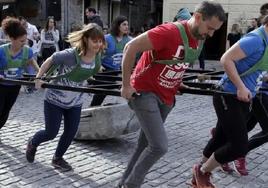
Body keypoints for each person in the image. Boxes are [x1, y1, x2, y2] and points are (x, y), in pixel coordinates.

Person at [118, 1, 226, 188]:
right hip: (145, 92)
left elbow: (177, 61)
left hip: (167, 97)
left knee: (145, 145)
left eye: (215, 30)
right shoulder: (169, 32)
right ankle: (131, 185)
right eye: (210, 28)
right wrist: (126, 85)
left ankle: (122, 184)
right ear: (198, 17)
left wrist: (177, 80)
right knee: (159, 146)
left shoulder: (199, 38)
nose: (211, 34)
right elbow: (130, 48)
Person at [192, 14, 268, 188]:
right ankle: (203, 171)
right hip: (228, 95)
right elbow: (226, 59)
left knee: (219, 138)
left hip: (244, 98)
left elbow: (257, 70)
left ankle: (197, 176)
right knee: (239, 146)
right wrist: (241, 86)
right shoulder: (256, 39)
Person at [25, 23, 105, 171]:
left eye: (100, 41)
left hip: (75, 100)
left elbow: (91, 70)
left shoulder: (97, 57)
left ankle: (58, 158)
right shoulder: (70, 55)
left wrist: (89, 79)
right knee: (51, 132)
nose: (98, 44)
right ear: (86, 39)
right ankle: (33, 142)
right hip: (55, 99)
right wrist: (38, 78)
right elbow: (50, 60)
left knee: (71, 131)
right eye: (95, 41)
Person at [0, 17, 39, 133]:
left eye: (25, 40)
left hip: (15, 86)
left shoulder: (27, 51)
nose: (24, 43)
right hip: (1, 86)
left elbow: (32, 61)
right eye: (21, 41)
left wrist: (40, 72)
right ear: (12, 38)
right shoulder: (1, 51)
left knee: (6, 111)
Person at [90, 15, 132, 106]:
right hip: (103, 70)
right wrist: (98, 65)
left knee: (109, 91)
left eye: (127, 25)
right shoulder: (107, 38)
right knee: (101, 93)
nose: (126, 27)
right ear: (118, 26)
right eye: (124, 24)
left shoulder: (128, 40)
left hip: (115, 70)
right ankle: (93, 108)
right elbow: (96, 52)